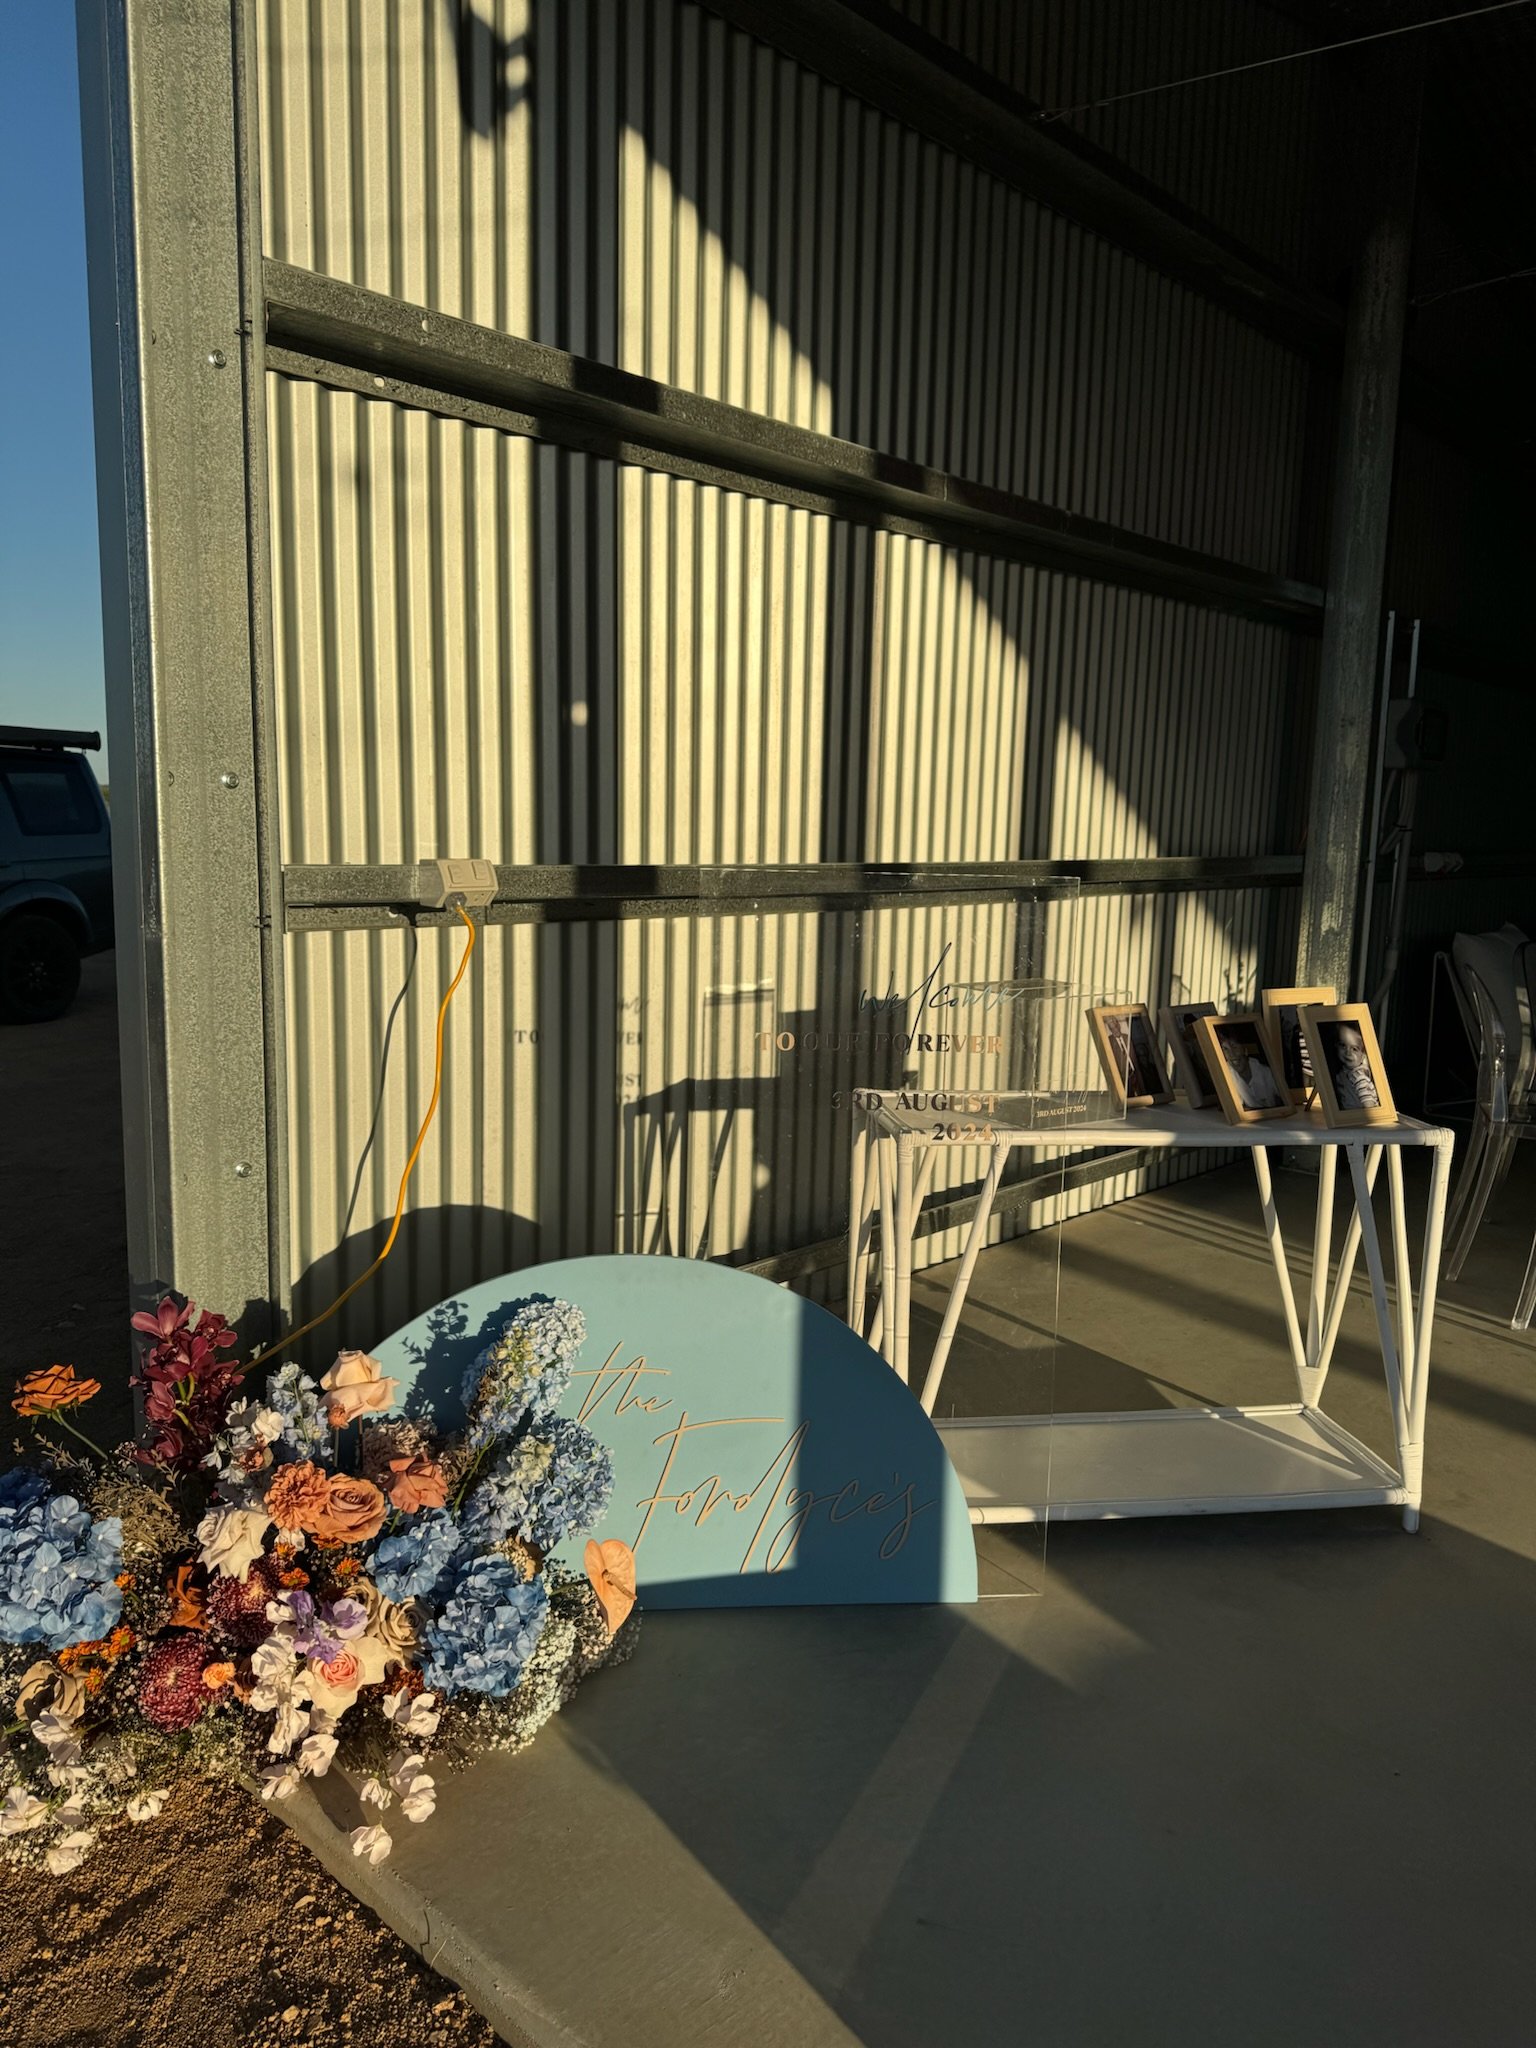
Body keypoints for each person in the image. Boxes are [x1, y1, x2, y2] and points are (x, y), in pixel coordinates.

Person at [1223, 1033, 1285, 1110]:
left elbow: (1285, 1099)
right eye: (1226, 1049)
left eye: (1234, 1047)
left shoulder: (1266, 1072)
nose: (1231, 1054)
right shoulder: (1225, 1075)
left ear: (1245, 1051)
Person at [1329, 1021, 1380, 1109]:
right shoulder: (1345, 1071)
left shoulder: (1358, 1076)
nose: (1348, 1053)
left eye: (1354, 1049)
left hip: (1360, 1118)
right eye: (1343, 1045)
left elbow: (1369, 1105)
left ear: (1363, 1053)